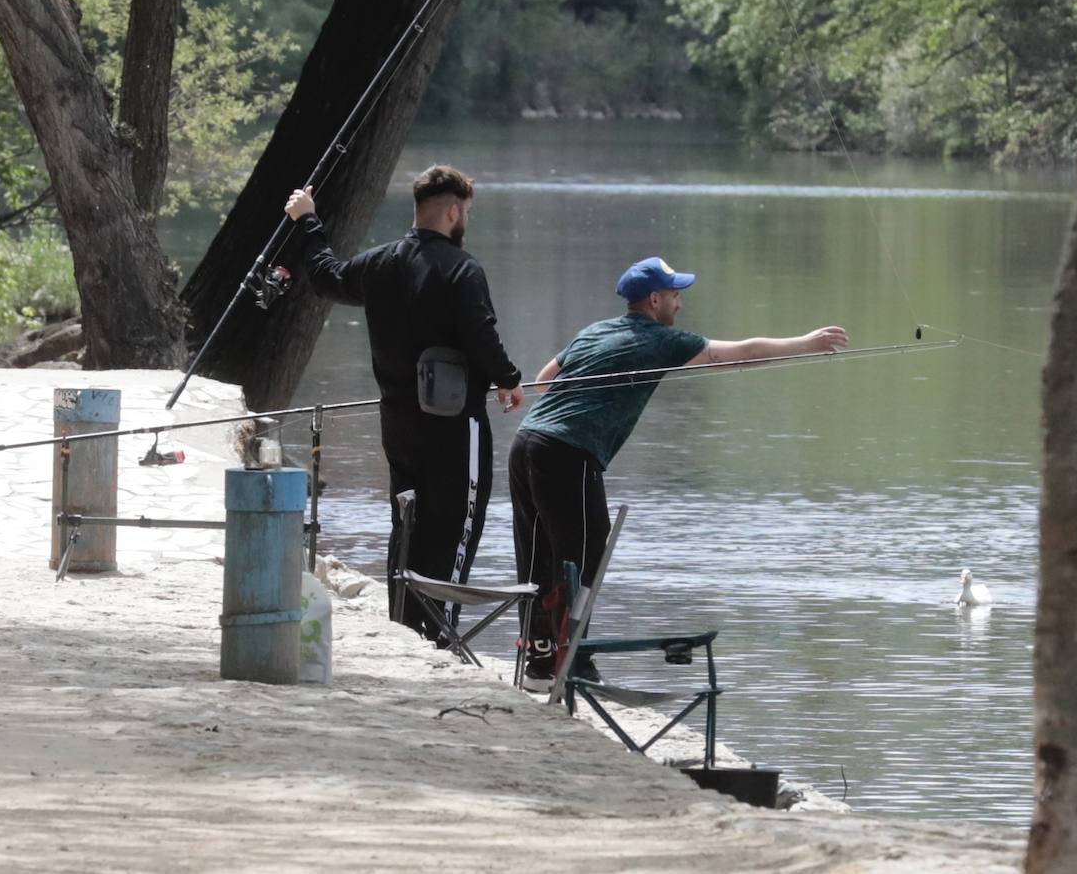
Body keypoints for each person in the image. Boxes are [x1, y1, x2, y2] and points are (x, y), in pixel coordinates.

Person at [508, 255, 847, 688]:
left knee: (539, 553)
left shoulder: (595, 331)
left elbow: (543, 380)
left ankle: (538, 662)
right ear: (654, 300)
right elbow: (738, 355)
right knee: (584, 556)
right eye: (674, 295)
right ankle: (570, 660)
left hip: (527, 442)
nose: (679, 304)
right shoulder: (661, 340)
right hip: (567, 453)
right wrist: (804, 343)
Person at [284, 165, 524, 641]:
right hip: (456, 425)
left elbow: (326, 277)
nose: (466, 219)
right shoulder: (463, 269)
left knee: (408, 524)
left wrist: (308, 221)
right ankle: (441, 633)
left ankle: (405, 628)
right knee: (456, 527)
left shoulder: (381, 263)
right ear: (453, 211)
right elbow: (482, 336)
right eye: (467, 212)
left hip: (398, 423)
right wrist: (509, 379)